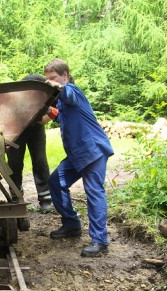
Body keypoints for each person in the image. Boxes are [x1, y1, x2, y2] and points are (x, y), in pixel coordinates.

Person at [43, 58, 114, 257]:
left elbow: (69, 95)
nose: (50, 82)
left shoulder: (73, 91)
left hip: (92, 152)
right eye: (47, 79)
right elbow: (61, 114)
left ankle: (100, 241)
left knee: (93, 192)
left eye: (53, 78)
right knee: (55, 182)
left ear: (65, 76)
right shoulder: (61, 101)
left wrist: (53, 87)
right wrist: (46, 109)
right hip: (77, 155)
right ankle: (71, 224)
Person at [6, 74, 56, 213]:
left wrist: (46, 117)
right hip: (16, 129)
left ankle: (45, 199)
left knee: (40, 161)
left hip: (36, 129)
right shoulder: (15, 96)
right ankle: (16, 196)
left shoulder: (42, 94)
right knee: (14, 163)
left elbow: (53, 111)